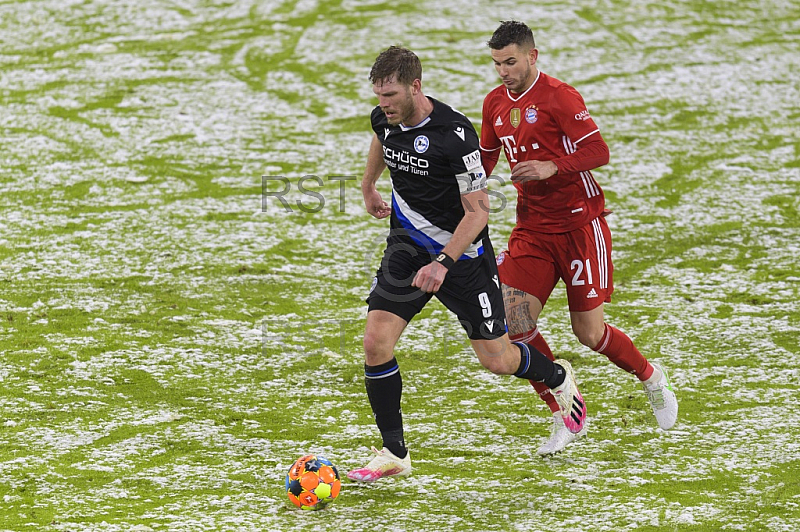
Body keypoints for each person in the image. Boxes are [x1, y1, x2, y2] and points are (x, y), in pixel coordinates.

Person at [348, 46, 587, 483]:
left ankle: (556, 376)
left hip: (463, 259)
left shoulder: (455, 134)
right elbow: (381, 140)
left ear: (415, 87)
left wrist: (442, 262)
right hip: (406, 250)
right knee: (375, 344)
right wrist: (368, 187)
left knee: (496, 359)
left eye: (392, 94)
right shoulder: (385, 117)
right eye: (379, 95)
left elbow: (478, 213)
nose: (383, 104)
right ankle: (394, 452)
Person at [479, 21, 678, 456]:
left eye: (510, 62)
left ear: (533, 56)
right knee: (513, 323)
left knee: (589, 333)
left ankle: (651, 377)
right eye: (496, 64)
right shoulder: (494, 103)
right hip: (532, 229)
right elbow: (485, 158)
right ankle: (564, 406)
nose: (503, 72)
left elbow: (598, 152)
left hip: (580, 227)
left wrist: (552, 165)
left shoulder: (560, 97)